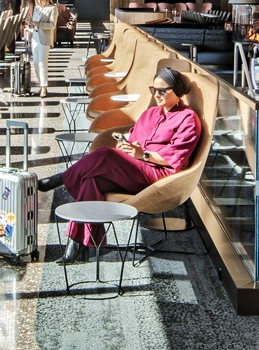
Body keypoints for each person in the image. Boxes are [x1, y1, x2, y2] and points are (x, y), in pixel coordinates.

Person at [37, 67, 201, 262]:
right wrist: (128, 144)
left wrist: (143, 154)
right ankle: (77, 244)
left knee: (106, 154)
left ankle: (60, 179)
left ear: (176, 91)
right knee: (92, 180)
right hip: (134, 168)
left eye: (162, 91)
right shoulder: (151, 114)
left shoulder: (188, 119)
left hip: (158, 175)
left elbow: (177, 157)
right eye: (153, 90)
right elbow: (134, 136)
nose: (156, 95)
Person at [26, 0, 59, 97]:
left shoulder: (53, 9)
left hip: (44, 38)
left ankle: (44, 87)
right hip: (35, 38)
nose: (40, 2)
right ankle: (41, 86)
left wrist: (38, 24)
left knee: (42, 63)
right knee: (35, 63)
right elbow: (35, 24)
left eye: (42, 0)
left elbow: (52, 25)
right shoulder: (36, 8)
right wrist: (30, 26)